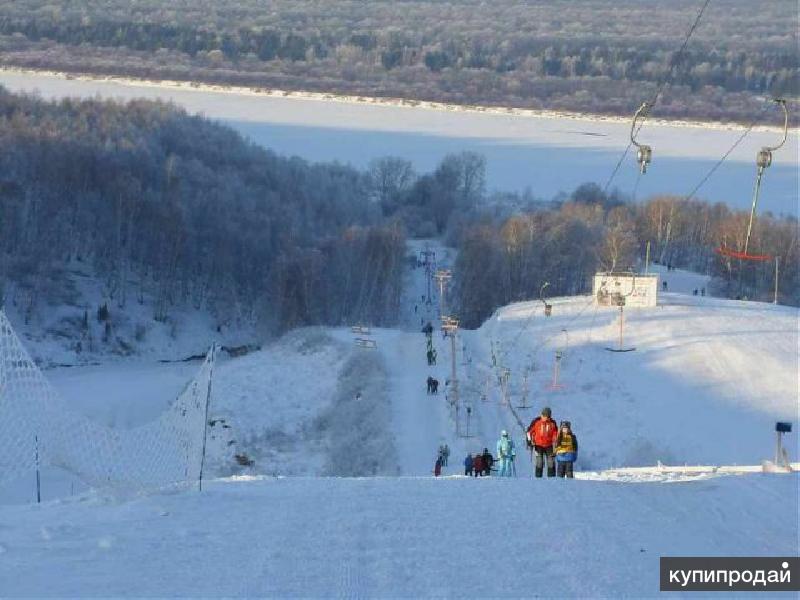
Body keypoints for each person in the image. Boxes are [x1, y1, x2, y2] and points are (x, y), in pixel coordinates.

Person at [527, 407, 558, 478]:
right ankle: (538, 478)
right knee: (539, 462)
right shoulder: (536, 422)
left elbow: (555, 433)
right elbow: (529, 432)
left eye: (547, 417)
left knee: (551, 462)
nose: (545, 418)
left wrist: (555, 441)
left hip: (549, 445)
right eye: (544, 416)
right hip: (538, 445)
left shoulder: (552, 423)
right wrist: (529, 441)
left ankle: (551, 478)